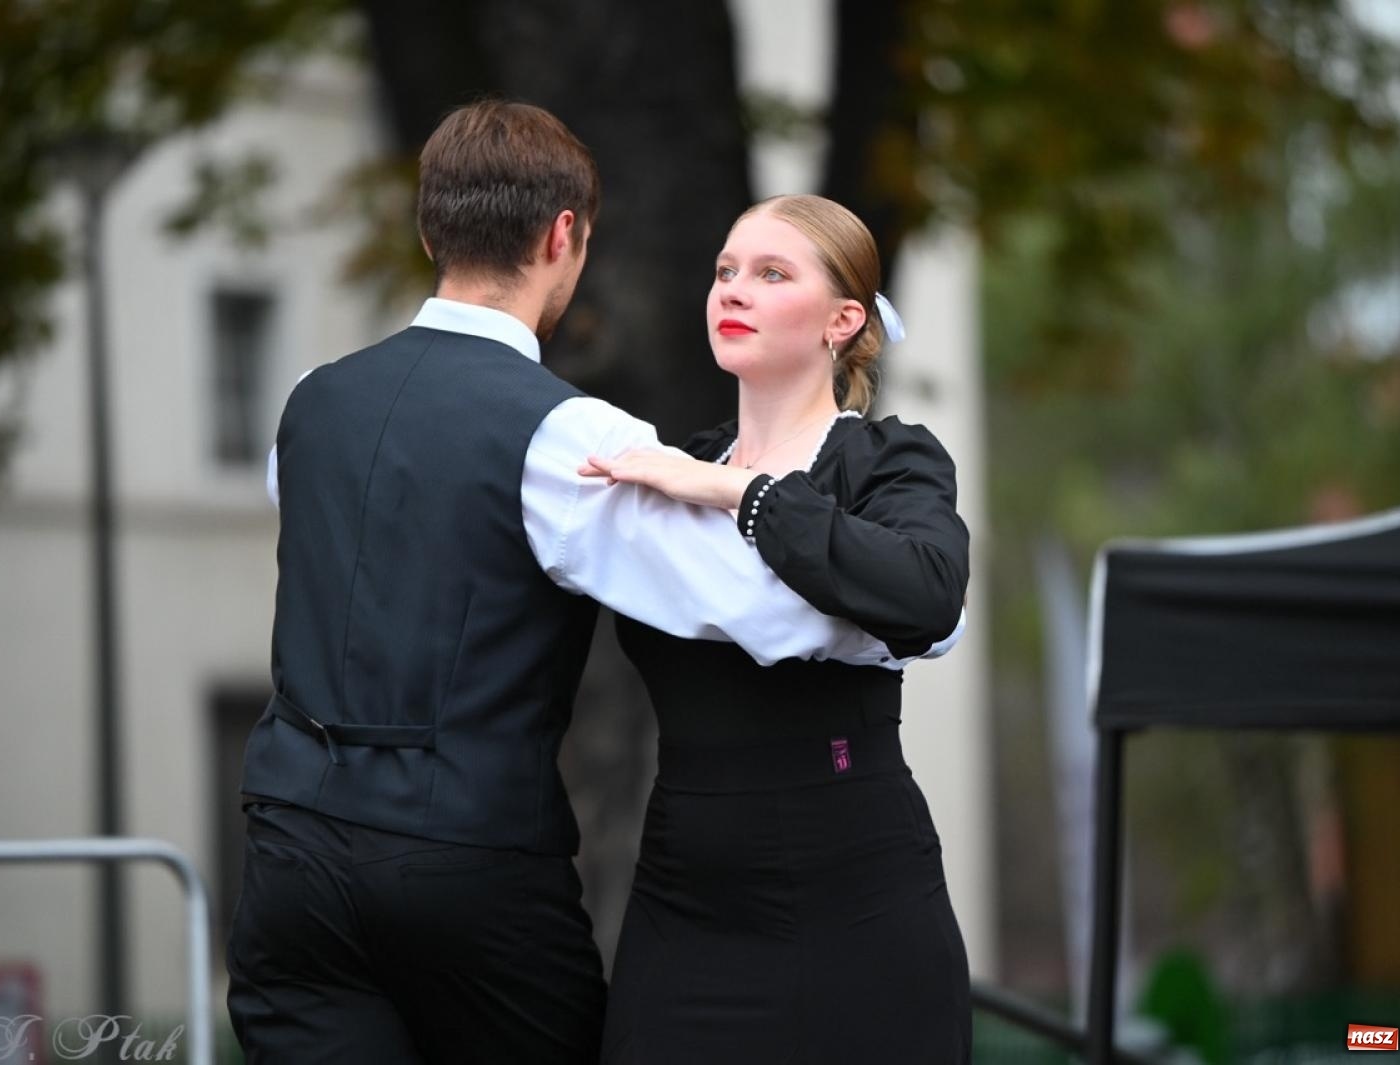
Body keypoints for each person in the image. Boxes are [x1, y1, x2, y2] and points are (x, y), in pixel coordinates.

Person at [224, 107, 935, 1065]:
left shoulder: (309, 400)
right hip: (465, 863)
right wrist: (905, 627)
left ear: (430, 233)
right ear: (565, 236)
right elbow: (759, 606)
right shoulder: (573, 436)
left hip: (287, 862)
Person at [582, 194, 973, 1063]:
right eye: (725, 271)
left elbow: (928, 593)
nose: (733, 289)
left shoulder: (888, 460)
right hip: (684, 896)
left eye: (770, 273)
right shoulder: (674, 464)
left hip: (857, 893)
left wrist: (744, 493)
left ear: (843, 320)